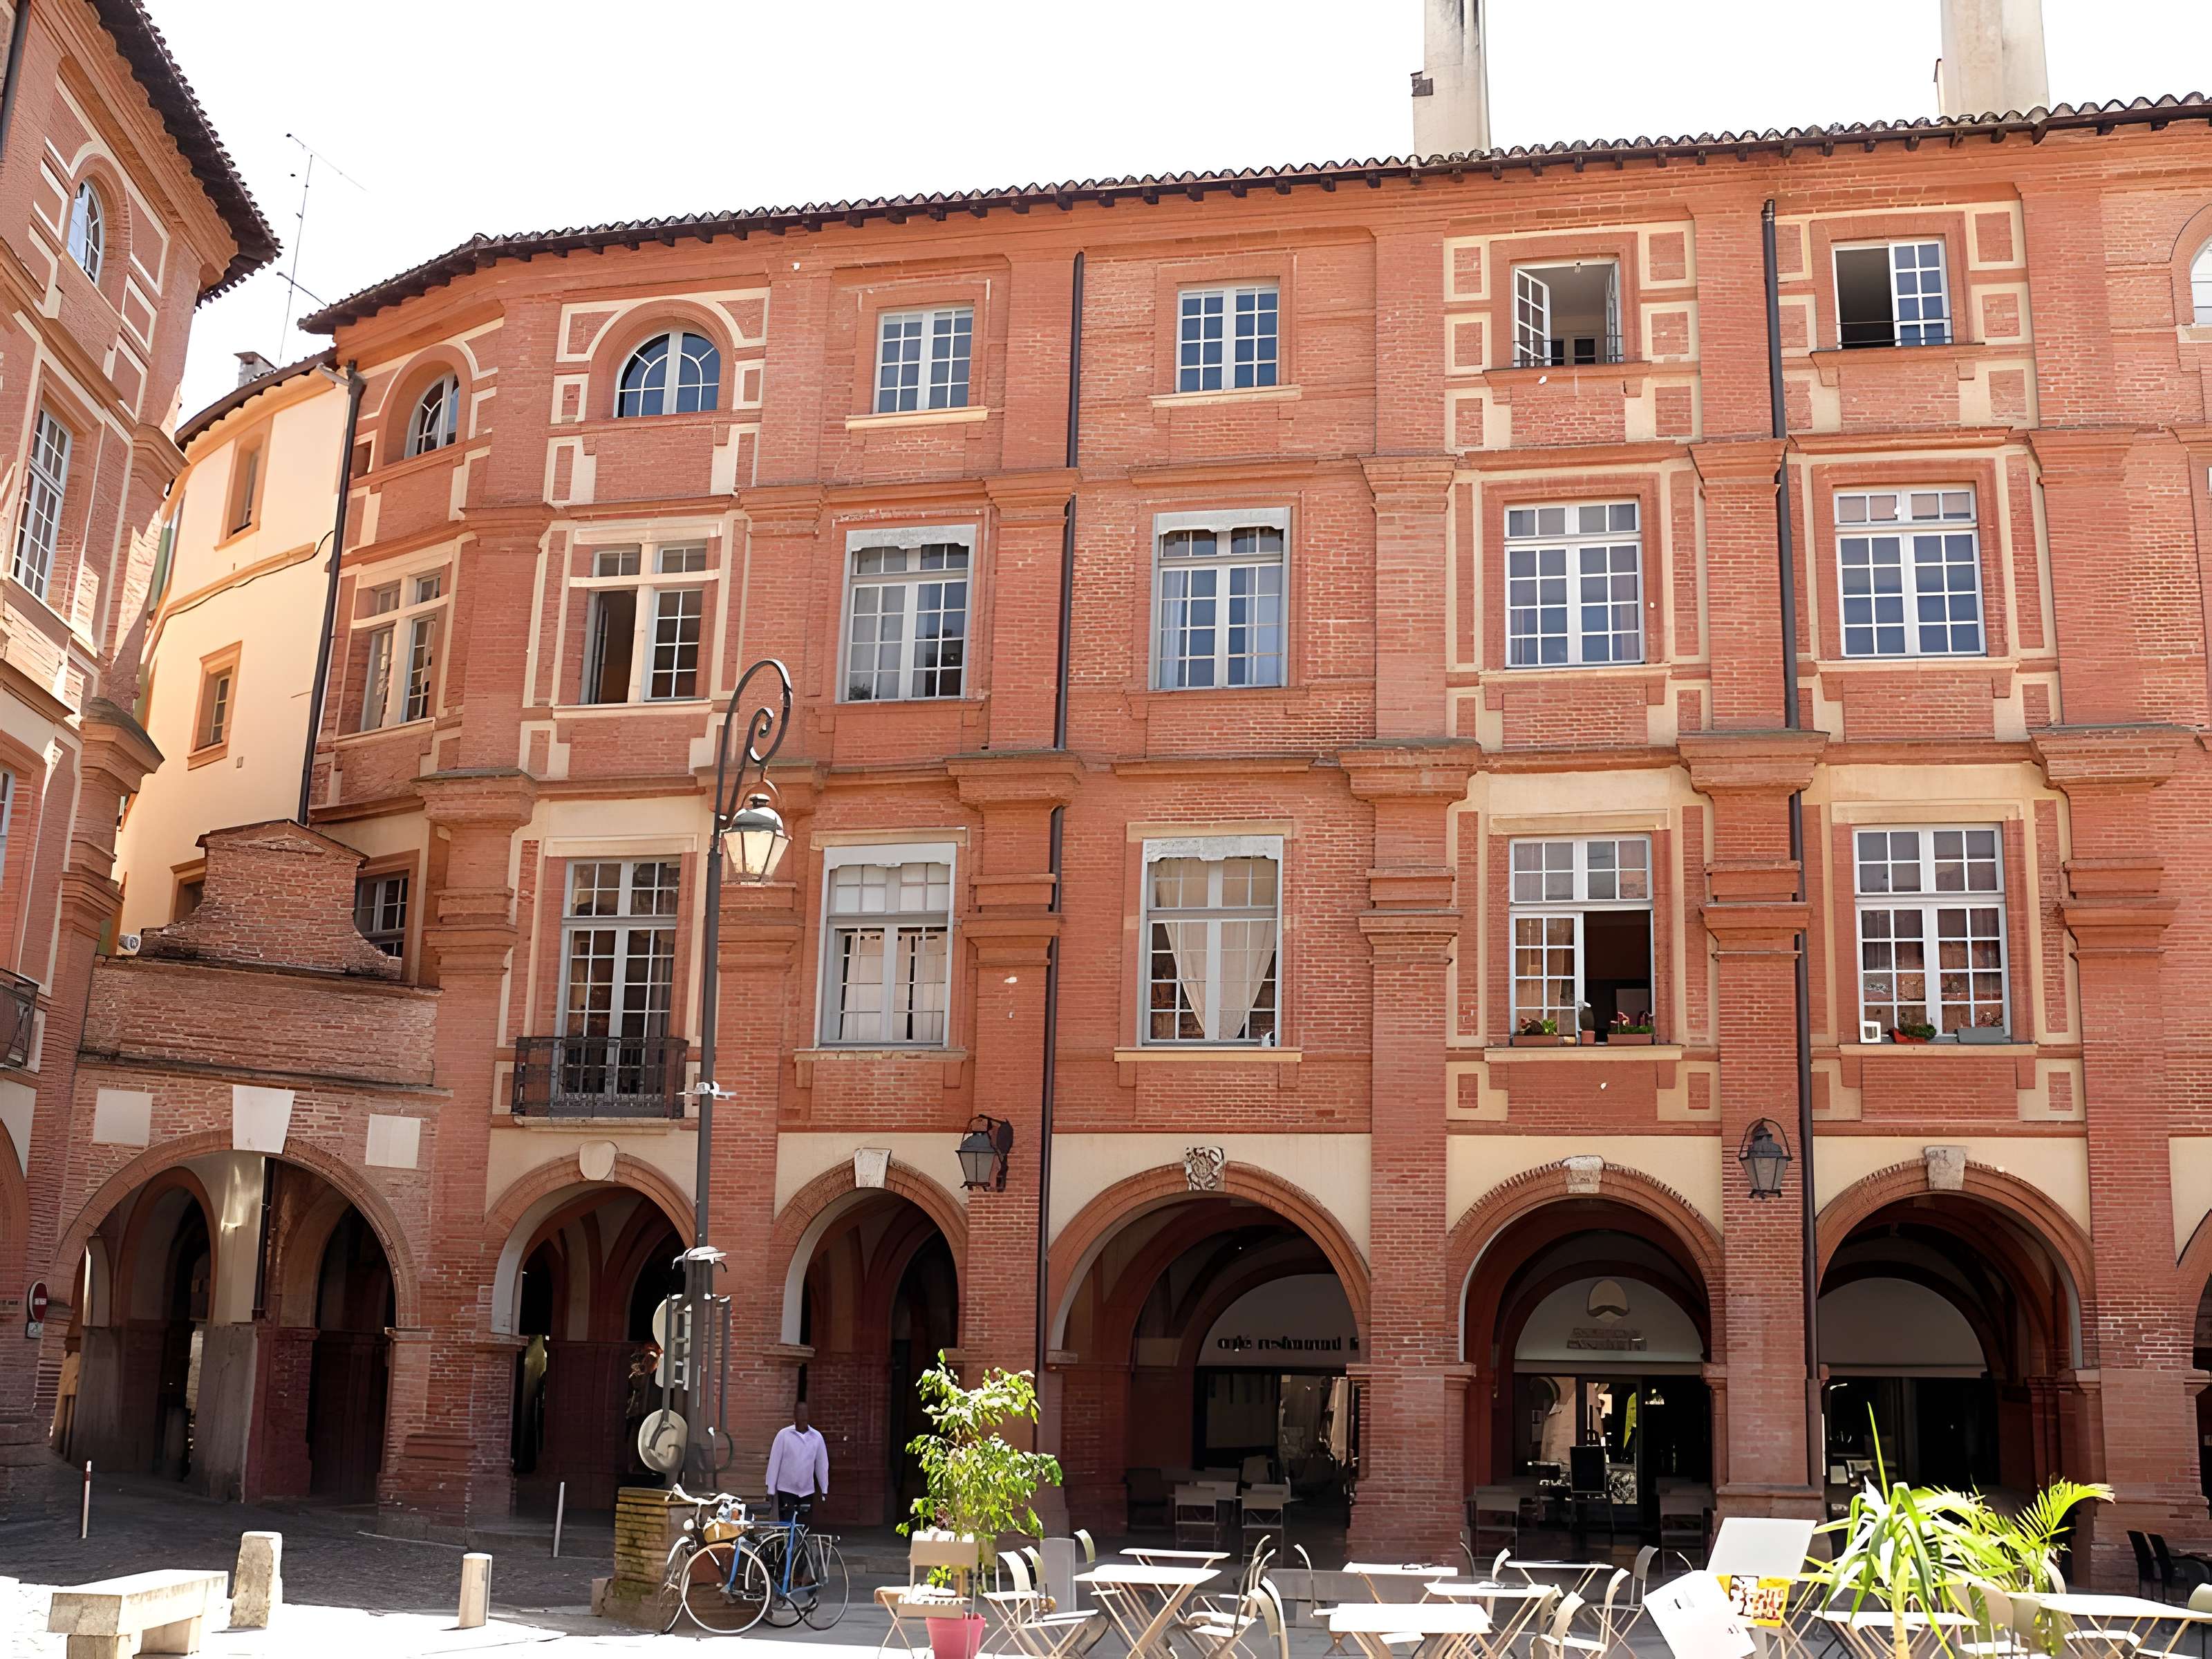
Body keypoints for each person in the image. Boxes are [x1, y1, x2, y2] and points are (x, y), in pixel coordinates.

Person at [766, 1400, 830, 1595]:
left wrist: (824, 1489)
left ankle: (800, 1573)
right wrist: (771, 1489)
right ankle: (783, 1572)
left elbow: (821, 1464)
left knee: (803, 1533)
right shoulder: (784, 1436)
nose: (802, 1416)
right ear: (794, 1415)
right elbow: (774, 1461)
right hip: (787, 1490)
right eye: (799, 1413)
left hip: (806, 1491)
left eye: (805, 1412)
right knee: (787, 1533)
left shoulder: (816, 1438)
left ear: (809, 1415)